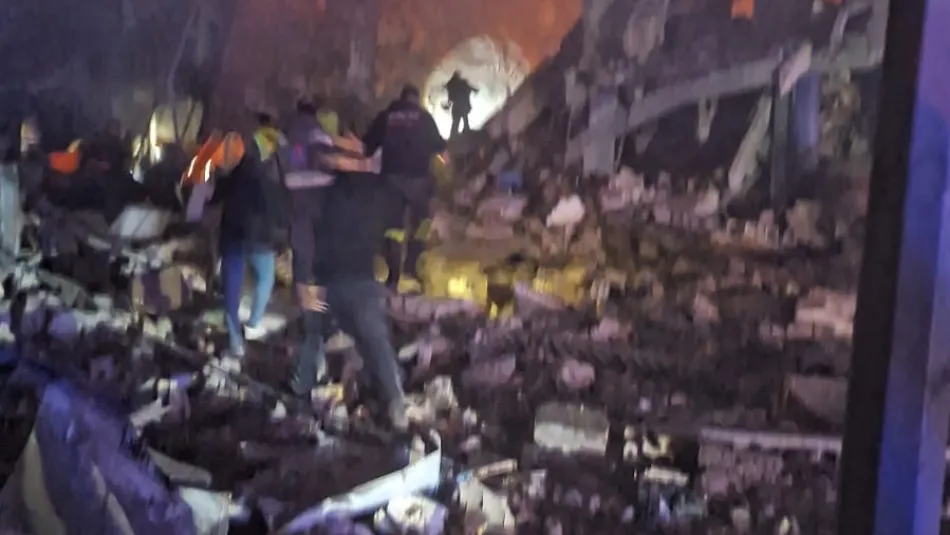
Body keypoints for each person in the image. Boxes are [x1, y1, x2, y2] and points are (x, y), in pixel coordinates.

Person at [207, 115, 290, 361]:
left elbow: (214, 197)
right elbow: (278, 211)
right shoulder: (269, 180)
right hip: (258, 240)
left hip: (233, 237)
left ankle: (235, 341)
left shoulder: (235, 174)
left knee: (231, 291)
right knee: (265, 278)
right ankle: (253, 324)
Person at [363, 84, 446, 292]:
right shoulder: (424, 118)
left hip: (391, 180)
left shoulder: (386, 116)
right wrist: (443, 175)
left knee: (393, 228)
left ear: (401, 98)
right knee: (424, 223)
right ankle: (413, 266)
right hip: (419, 181)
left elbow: (368, 147)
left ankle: (393, 276)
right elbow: (442, 151)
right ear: (416, 99)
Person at [444, 71, 477, 138]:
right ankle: (464, 134)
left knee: (456, 123)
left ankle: (454, 136)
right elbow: (471, 88)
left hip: (458, 106)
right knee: (463, 121)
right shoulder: (461, 83)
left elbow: (450, 97)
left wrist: (448, 104)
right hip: (463, 106)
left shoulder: (452, 85)